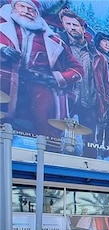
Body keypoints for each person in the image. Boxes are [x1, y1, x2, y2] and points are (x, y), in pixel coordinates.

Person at [0, 0, 83, 138]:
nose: (26, 11)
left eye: (31, 9)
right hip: (5, 92)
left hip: (39, 100)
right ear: (13, 8)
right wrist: (2, 49)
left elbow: (78, 69)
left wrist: (55, 78)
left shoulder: (54, 41)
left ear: (37, 13)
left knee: (46, 136)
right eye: (22, 6)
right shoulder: (2, 27)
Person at [59, 8, 109, 159]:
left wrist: (105, 102)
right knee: (57, 133)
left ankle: (90, 167)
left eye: (75, 24)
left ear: (83, 28)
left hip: (90, 103)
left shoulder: (98, 56)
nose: (72, 27)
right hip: (66, 100)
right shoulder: (59, 47)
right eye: (68, 24)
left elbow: (106, 84)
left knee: (90, 141)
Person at [94, 32, 109, 159]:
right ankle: (97, 148)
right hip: (100, 96)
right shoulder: (96, 57)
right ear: (98, 42)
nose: (107, 44)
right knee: (100, 123)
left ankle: (108, 149)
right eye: (104, 41)